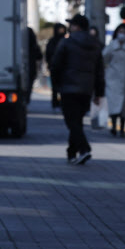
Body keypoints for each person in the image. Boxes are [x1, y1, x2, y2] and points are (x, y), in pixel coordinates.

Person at [50, 13, 105, 165]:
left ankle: (84, 149)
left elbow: (56, 64)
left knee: (71, 121)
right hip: (86, 88)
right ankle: (71, 153)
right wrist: (99, 92)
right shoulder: (95, 45)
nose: (70, 27)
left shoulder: (67, 42)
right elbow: (100, 70)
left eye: (72, 24)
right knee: (77, 121)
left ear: (77, 26)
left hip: (68, 87)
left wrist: (56, 85)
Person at [103, 23, 125, 137]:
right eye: (120, 32)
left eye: (124, 32)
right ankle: (113, 126)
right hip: (113, 79)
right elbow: (104, 58)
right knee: (113, 104)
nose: (122, 34)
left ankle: (122, 128)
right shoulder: (112, 45)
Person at [46, 24, 67, 108]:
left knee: (63, 86)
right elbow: (48, 54)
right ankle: (55, 101)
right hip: (54, 67)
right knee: (55, 87)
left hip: (64, 69)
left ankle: (62, 101)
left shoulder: (66, 41)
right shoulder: (52, 41)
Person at [25, 27, 43, 103]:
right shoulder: (34, 46)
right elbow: (39, 56)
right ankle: (26, 101)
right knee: (28, 87)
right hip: (30, 69)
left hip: (30, 69)